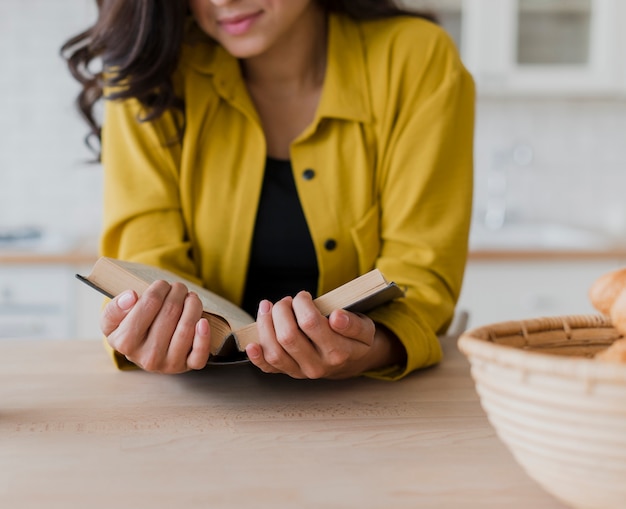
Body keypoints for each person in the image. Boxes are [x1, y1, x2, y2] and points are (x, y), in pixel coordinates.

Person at [62, 0, 474, 381]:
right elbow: (145, 264)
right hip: (202, 406)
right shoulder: (150, 75)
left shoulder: (416, 58)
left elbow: (422, 276)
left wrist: (373, 345)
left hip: (367, 410)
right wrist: (149, 325)